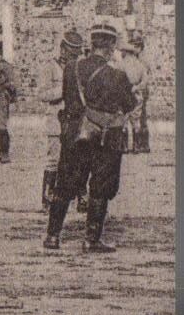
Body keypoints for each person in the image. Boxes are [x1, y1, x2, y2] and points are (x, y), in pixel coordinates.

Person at [43, 22, 138, 252]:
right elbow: (129, 105)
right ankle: (91, 240)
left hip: (75, 134)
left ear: (92, 43)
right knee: (100, 186)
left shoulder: (71, 68)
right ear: (111, 46)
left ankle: (53, 237)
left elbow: (67, 98)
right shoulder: (117, 75)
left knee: (65, 183)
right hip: (105, 139)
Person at [38, 30, 81, 211]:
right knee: (54, 160)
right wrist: (64, 90)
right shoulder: (49, 67)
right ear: (62, 50)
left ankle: (79, 197)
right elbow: (42, 94)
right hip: (56, 120)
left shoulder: (79, 67)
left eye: (75, 55)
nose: (72, 57)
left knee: (77, 160)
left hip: (74, 121)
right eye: (70, 53)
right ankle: (48, 198)